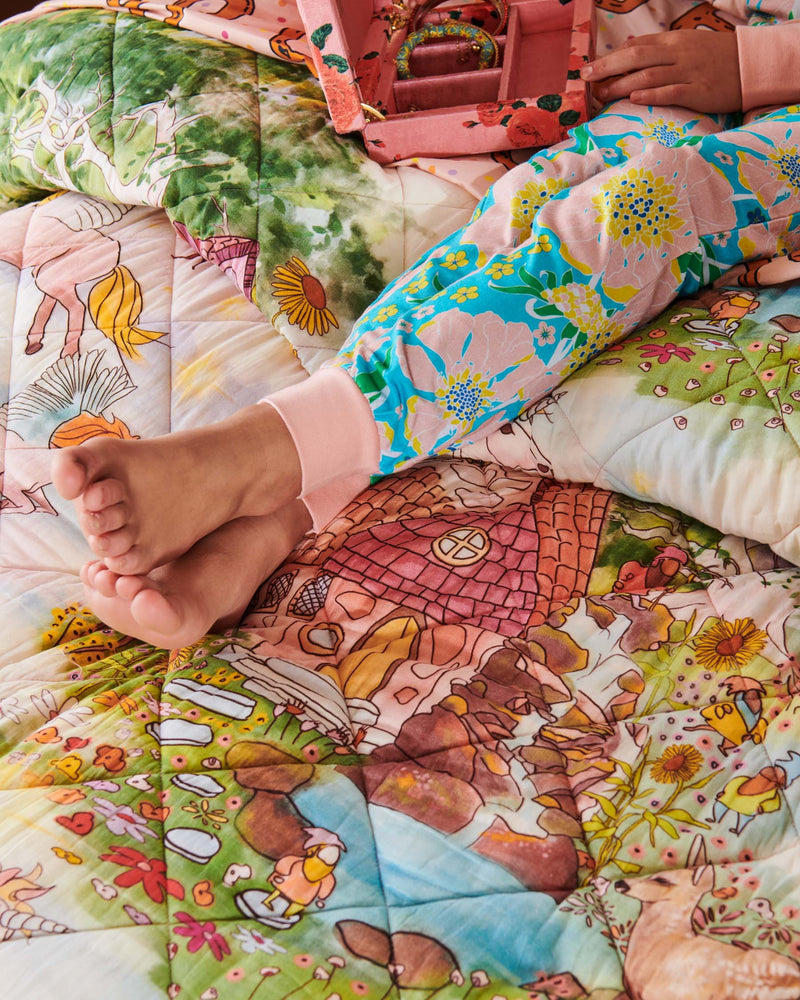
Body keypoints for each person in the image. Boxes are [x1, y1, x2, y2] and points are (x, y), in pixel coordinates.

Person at [53, 18, 800, 648]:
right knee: (523, 207)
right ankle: (276, 518)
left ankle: (263, 453)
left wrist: (758, 62)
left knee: (653, 204)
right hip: (712, 51)